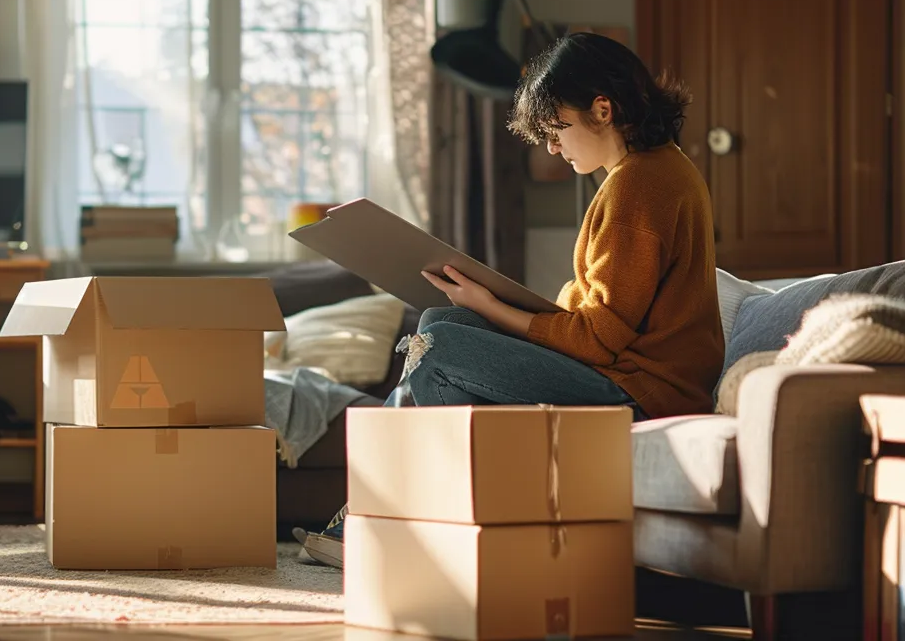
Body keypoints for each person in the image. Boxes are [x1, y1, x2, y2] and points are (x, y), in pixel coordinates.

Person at [296, 32, 724, 567]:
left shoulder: (642, 186)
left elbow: (600, 338)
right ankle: (385, 516)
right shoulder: (650, 172)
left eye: (556, 129)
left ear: (602, 108)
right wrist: (482, 304)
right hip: (627, 373)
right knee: (441, 318)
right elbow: (602, 316)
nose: (550, 147)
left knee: (442, 347)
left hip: (643, 393)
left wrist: (491, 303)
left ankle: (384, 519)